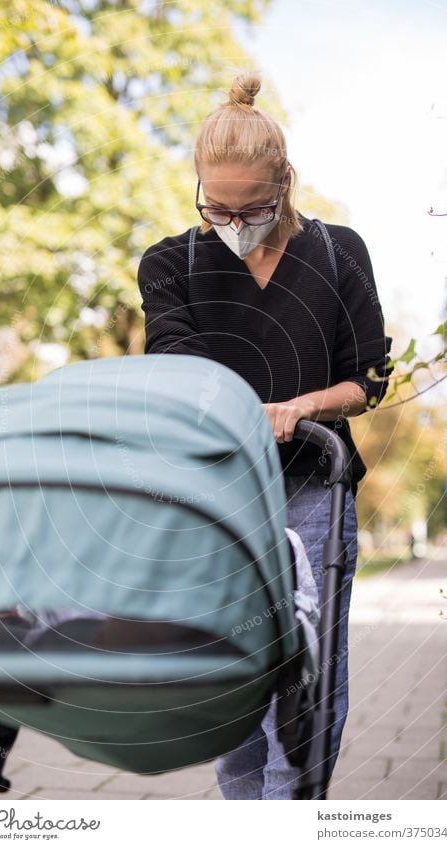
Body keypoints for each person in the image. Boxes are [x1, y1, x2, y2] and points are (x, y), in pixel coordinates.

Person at [137, 70, 393, 799]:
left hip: (314, 491)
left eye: (251, 206)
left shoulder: (338, 252)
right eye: (215, 205)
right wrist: (231, 406)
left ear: (284, 182)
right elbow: (174, 359)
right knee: (229, 684)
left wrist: (302, 405)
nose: (233, 220)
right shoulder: (170, 263)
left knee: (303, 682)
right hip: (217, 497)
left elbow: (367, 377)